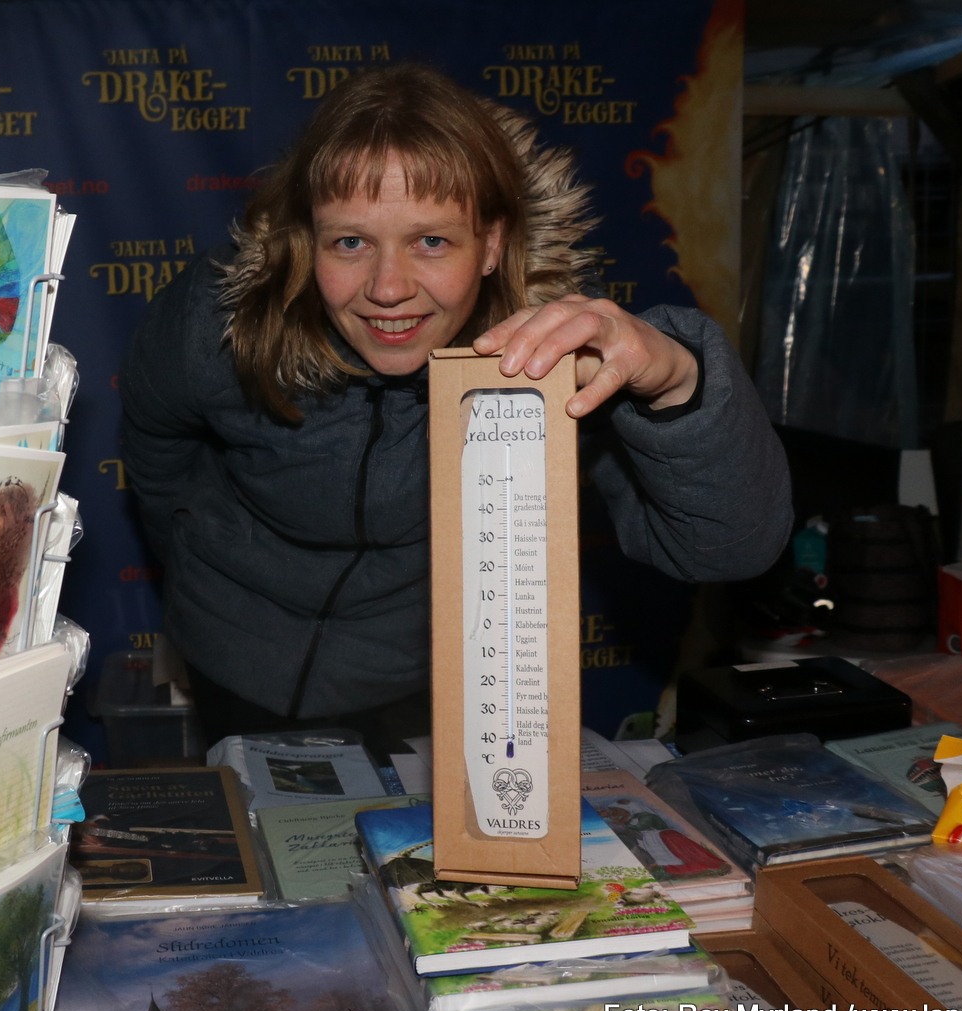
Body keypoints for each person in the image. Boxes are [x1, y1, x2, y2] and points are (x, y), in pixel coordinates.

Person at [122, 64, 791, 750]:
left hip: (433, 671)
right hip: (235, 653)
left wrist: (677, 380)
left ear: (493, 244)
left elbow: (730, 548)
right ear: (308, 240)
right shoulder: (220, 320)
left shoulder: (558, 356)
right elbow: (155, 445)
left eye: (431, 241)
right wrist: (209, 561)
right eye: (350, 241)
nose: (388, 287)